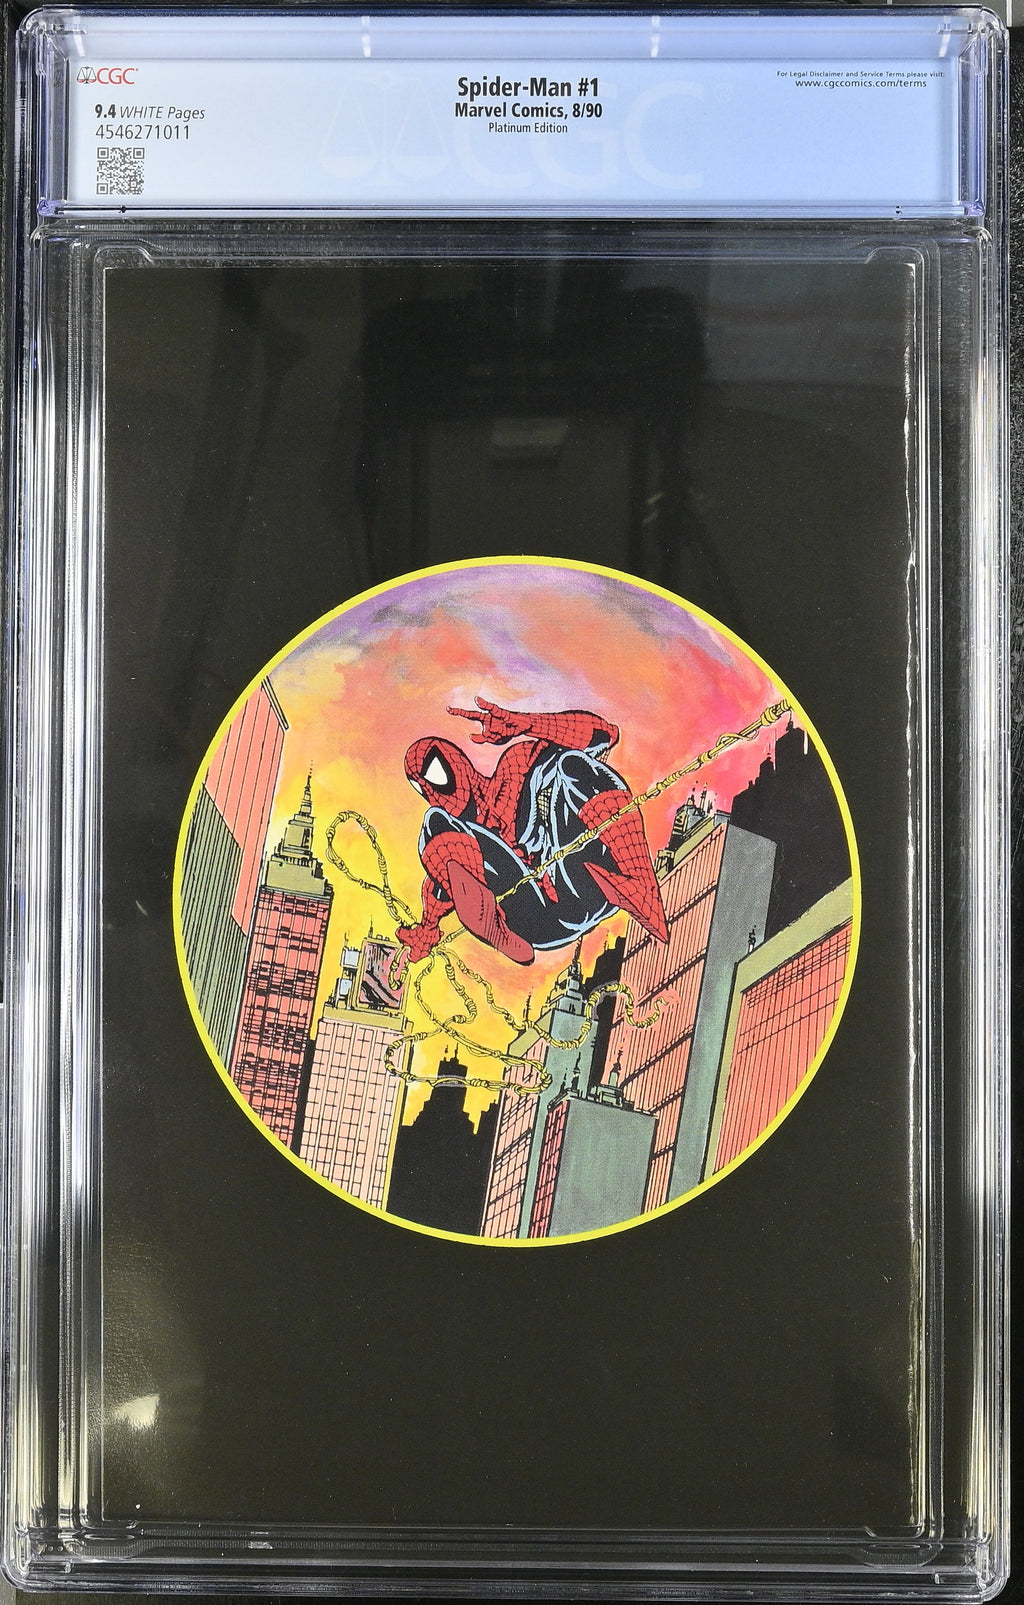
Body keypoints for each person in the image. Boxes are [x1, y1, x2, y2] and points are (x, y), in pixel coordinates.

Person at [396, 697, 669, 967]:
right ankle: (498, 932)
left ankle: (637, 881)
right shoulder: (461, 843)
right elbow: (439, 889)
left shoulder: (515, 768)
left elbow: (603, 734)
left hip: (591, 876)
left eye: (433, 774)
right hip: (535, 918)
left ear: (454, 762)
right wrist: (426, 930)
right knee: (435, 823)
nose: (432, 791)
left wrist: (525, 724)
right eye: (422, 787)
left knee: (572, 764)